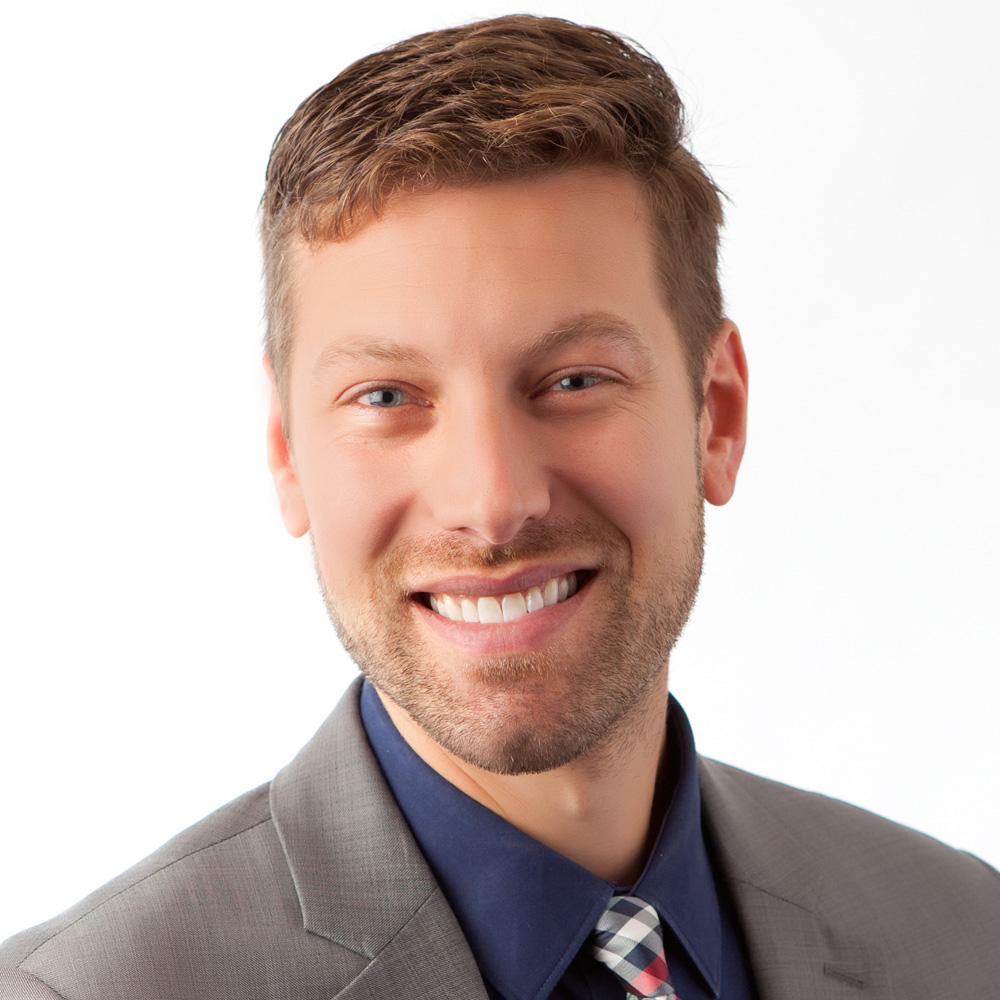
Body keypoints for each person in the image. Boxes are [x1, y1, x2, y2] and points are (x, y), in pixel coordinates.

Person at [1, 13, 997, 1000]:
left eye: (572, 380)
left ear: (716, 416)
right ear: (286, 453)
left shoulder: (964, 932)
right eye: (386, 397)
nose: (492, 500)